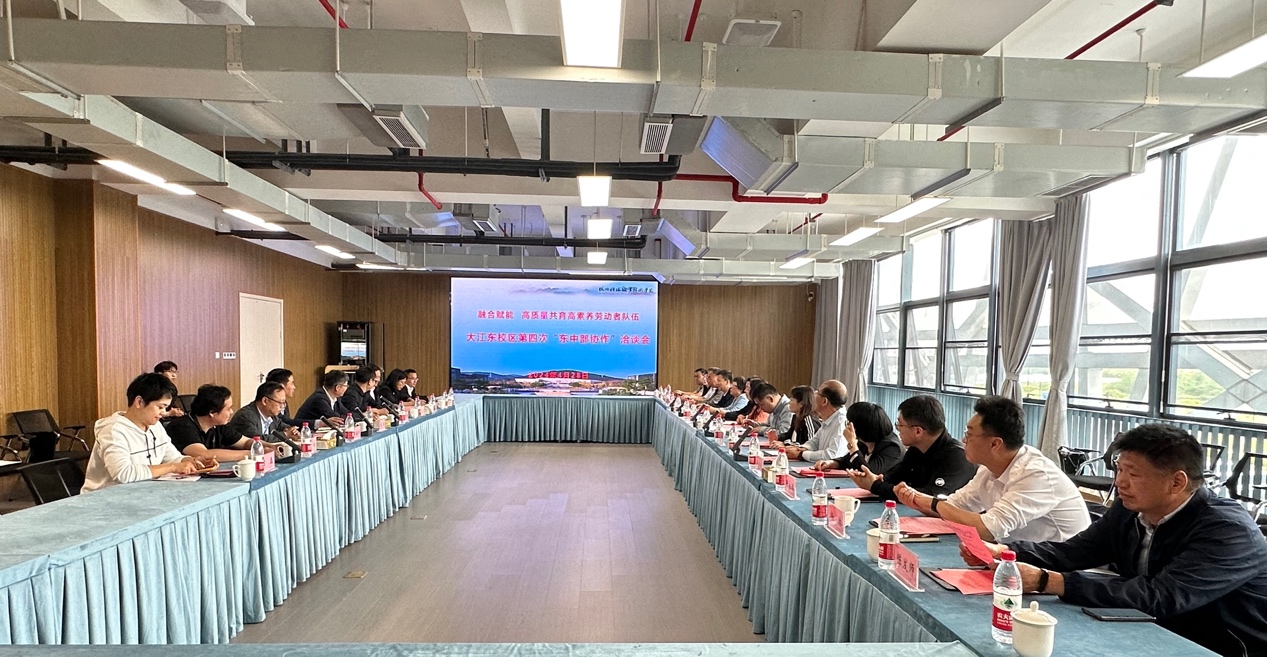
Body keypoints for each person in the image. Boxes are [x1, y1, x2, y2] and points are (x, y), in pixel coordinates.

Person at [964, 424, 1267, 657]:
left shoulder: (1227, 531)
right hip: (1148, 633)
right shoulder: (1130, 509)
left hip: (1221, 646)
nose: (1119, 482)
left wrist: (1048, 581)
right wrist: (1007, 552)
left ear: (1177, 482)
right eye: (1119, 469)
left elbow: (1159, 597)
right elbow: (1076, 551)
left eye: (1132, 474)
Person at [895, 395, 1089, 542]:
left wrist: (934, 504)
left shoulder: (1036, 474)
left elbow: (988, 530)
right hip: (1018, 557)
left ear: (995, 444)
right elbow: (955, 507)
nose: (964, 440)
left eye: (969, 434)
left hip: (1059, 568)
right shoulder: (988, 469)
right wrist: (917, 499)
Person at [81, 373, 206, 492]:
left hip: (143, 493)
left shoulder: (155, 426)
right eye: (160, 407)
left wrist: (193, 461)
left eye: (166, 407)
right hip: (104, 499)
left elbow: (173, 457)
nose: (163, 412)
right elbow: (123, 474)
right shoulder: (113, 430)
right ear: (139, 402)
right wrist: (172, 467)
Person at [847, 395, 976, 501]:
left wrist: (875, 486)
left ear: (918, 431)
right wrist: (874, 479)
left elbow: (930, 498)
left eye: (900, 425)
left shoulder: (957, 457)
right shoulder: (916, 449)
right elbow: (894, 477)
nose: (897, 429)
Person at [814, 402, 904, 477]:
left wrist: (852, 444)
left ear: (860, 427)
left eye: (849, 423)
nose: (847, 426)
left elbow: (868, 472)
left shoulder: (893, 448)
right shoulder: (865, 443)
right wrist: (832, 463)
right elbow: (848, 460)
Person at [167, 384, 252, 462]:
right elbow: (203, 455)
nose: (231, 412)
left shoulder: (220, 425)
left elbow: (245, 442)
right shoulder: (181, 427)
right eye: (228, 409)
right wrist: (250, 454)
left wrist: (259, 446)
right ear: (212, 412)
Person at [783, 381, 849, 463]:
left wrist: (801, 454)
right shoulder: (830, 417)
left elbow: (831, 455)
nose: (813, 395)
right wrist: (801, 449)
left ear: (824, 401)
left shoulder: (841, 423)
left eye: (817, 392)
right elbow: (815, 441)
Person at [226, 382, 299, 444]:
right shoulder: (245, 416)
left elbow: (283, 426)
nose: (282, 406)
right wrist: (286, 434)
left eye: (283, 403)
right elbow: (257, 440)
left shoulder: (271, 415)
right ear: (265, 401)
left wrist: (293, 431)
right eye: (280, 402)